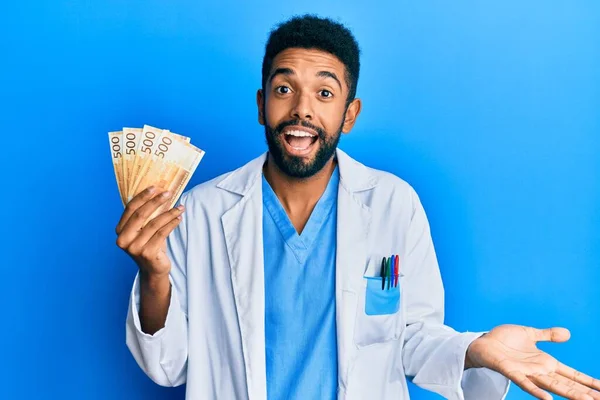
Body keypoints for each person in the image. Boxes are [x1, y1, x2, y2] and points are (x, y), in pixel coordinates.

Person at [116, 14, 599, 400]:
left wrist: (477, 349)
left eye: (325, 93)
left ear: (350, 114)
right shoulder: (198, 212)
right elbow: (167, 366)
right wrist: (155, 275)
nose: (302, 109)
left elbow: (410, 339)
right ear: (262, 104)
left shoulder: (393, 204)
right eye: (285, 89)